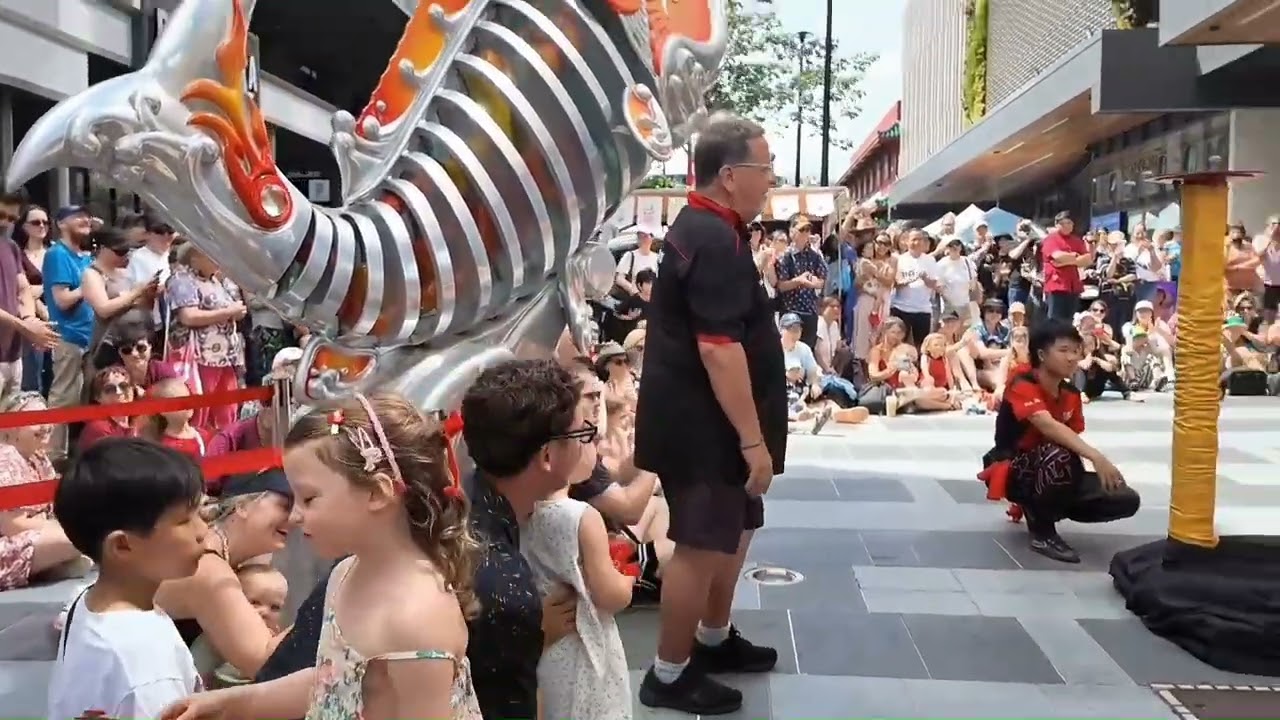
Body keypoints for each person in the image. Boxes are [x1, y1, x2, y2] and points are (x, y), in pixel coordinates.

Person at [162, 394, 483, 720]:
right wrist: (229, 703)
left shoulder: (418, 617)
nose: (295, 516)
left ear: (377, 493)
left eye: (309, 498)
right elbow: (332, 681)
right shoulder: (346, 572)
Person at [634, 113, 785, 715]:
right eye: (764, 168)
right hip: (704, 431)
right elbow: (718, 349)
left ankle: (713, 638)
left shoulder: (716, 229)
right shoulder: (712, 237)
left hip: (718, 425)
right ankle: (669, 673)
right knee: (699, 544)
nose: (770, 180)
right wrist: (752, 441)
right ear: (728, 174)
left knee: (735, 528)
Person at [460, 359, 593, 720]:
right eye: (581, 435)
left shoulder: (465, 497)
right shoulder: (505, 588)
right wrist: (533, 634)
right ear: (547, 456)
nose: (587, 442)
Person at [46, 439, 207, 720]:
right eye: (184, 520)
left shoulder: (88, 601)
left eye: (200, 514)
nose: (202, 530)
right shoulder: (147, 664)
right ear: (122, 546)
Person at [979, 321, 1141, 563]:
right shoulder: (1021, 383)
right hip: (1014, 467)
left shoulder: (1071, 394)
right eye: (1064, 350)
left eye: (1076, 350)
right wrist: (1096, 456)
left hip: (1052, 464)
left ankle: (1041, 508)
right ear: (1042, 355)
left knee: (1125, 498)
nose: (1072, 357)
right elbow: (1046, 424)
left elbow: (1070, 438)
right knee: (1058, 455)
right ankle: (1042, 533)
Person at [1040, 211, 1090, 322]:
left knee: (1070, 321)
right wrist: (1076, 257)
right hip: (1056, 286)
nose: (1066, 226)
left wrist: (1067, 261)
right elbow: (1058, 256)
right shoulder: (1051, 239)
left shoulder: (1076, 240)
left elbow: (1087, 259)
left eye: (1069, 223)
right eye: (1062, 223)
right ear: (1056, 225)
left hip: (1073, 287)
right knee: (1055, 321)